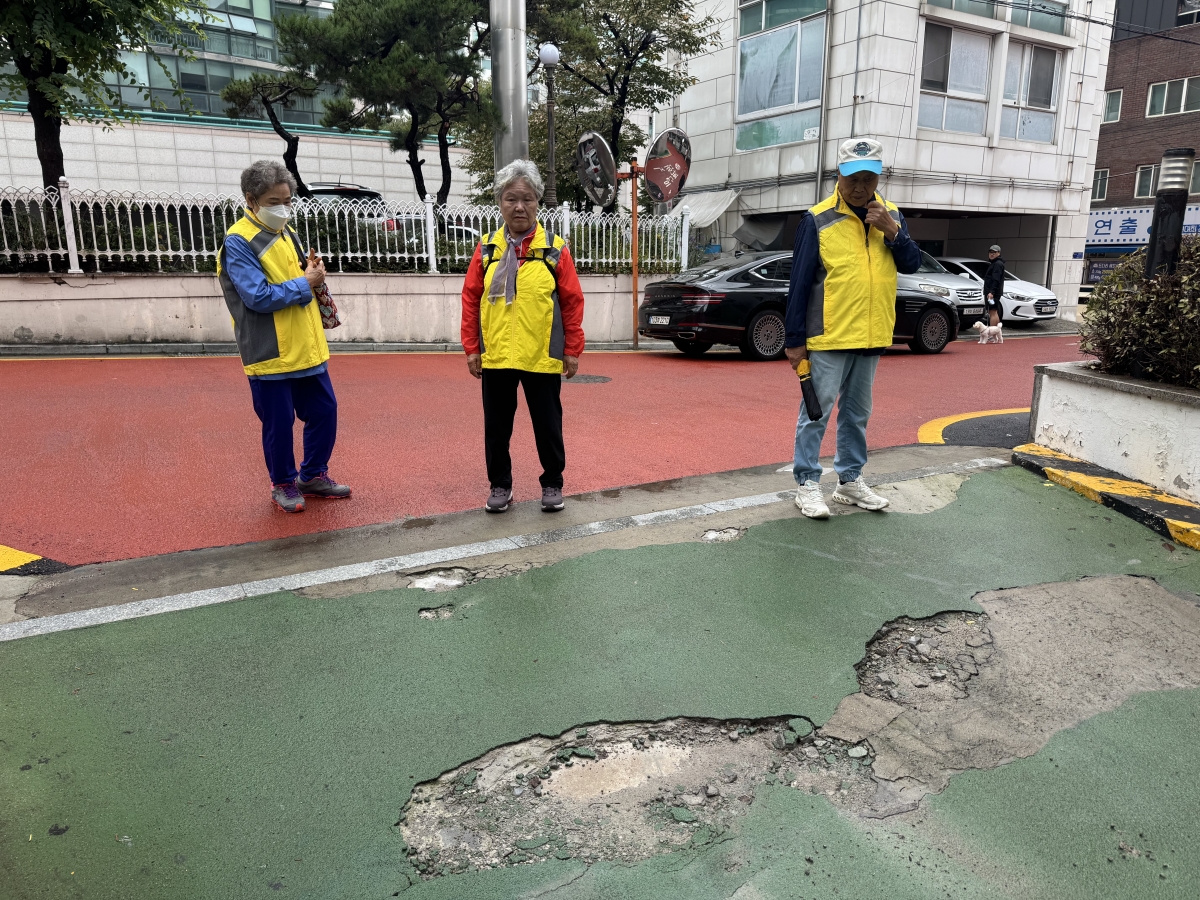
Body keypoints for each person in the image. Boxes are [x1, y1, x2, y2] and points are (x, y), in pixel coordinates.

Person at [784, 138, 922, 519]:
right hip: (829, 334)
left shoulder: (891, 215)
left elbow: (912, 264)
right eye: (852, 179)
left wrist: (893, 232)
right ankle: (807, 482)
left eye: (868, 179)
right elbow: (799, 284)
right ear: (838, 176)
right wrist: (794, 340)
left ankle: (849, 480)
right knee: (817, 412)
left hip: (872, 333)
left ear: (879, 177)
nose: (860, 188)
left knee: (858, 414)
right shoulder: (817, 219)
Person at [217, 160, 351, 513]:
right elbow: (257, 296)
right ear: (251, 199)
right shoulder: (238, 241)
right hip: (269, 351)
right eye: (274, 202)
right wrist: (306, 283)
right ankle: (283, 484)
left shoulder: (286, 233)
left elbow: (297, 279)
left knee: (324, 411)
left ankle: (313, 475)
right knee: (278, 424)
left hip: (306, 346)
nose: (283, 208)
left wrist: (312, 272)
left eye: (287, 200)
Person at [460, 160, 586, 513]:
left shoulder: (554, 249)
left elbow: (572, 302)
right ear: (500, 202)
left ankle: (552, 482)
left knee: (548, 425)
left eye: (527, 199)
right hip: (497, 354)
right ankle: (500, 485)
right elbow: (471, 299)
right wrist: (472, 348)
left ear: (537, 203)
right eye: (511, 198)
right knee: (497, 428)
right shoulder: (487, 249)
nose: (519, 206)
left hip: (541, 354)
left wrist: (572, 349)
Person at [982, 244, 1006, 328]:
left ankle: (993, 332)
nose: (991, 254)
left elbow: (996, 279)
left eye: (994, 252)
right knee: (994, 311)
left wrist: (991, 292)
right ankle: (996, 332)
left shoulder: (997, 264)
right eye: (990, 252)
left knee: (992, 312)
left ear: (999, 253)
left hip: (993, 293)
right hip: (994, 292)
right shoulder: (996, 263)